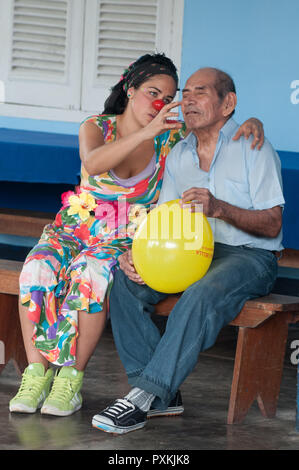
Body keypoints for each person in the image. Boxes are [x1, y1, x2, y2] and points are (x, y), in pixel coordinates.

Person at [9, 54, 264, 417]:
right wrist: (146, 131)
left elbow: (217, 123)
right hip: (75, 227)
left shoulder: (172, 136)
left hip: (125, 238)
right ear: (130, 89)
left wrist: (252, 122)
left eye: (169, 97)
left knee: (93, 274)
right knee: (37, 267)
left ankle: (70, 380)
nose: (160, 104)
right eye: (152, 92)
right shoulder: (96, 126)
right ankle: (36, 374)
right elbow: (94, 162)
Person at [92, 67, 285, 435]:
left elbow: (274, 224)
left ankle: (144, 397)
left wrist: (219, 208)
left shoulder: (253, 146)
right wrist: (135, 254)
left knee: (200, 295)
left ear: (228, 103)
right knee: (125, 283)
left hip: (249, 256)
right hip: (195, 254)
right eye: (187, 92)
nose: (188, 99)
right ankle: (160, 392)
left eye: (201, 91)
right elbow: (164, 220)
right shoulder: (179, 153)